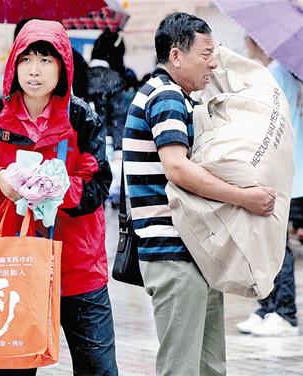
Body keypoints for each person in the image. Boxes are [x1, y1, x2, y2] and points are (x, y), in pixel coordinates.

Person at [0, 19, 118, 375]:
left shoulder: (81, 116)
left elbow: (98, 184)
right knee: (12, 370)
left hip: (78, 268)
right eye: (26, 59)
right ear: (13, 64)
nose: (34, 71)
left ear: (63, 67)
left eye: (45, 60)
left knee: (99, 369)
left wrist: (57, 189)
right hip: (13, 266)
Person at [123, 12, 277, 375]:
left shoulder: (174, 96)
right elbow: (177, 167)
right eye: (206, 53)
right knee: (181, 368)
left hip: (191, 253)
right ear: (177, 56)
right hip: (173, 254)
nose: (213, 62)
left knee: (209, 367)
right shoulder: (166, 97)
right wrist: (244, 197)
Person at [235, 35, 302, 337]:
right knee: (272, 242)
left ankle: (282, 311)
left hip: (284, 173)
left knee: (273, 244)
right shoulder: (291, 71)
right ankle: (269, 307)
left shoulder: (277, 71)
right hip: (291, 172)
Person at [87, 29, 137, 208]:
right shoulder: (116, 79)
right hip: (108, 144)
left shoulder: (79, 75)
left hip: (83, 145)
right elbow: (117, 117)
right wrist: (119, 148)